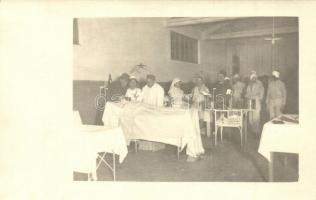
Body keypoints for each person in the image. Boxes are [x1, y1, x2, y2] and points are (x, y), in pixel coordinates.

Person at [245, 71, 265, 136]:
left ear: (256, 76)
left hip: (256, 100)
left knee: (256, 117)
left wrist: (260, 99)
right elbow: (247, 93)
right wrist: (246, 97)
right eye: (251, 76)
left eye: (254, 76)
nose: (253, 77)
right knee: (250, 118)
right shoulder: (249, 84)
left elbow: (262, 91)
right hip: (250, 101)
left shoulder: (259, 83)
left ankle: (256, 132)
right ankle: (253, 131)